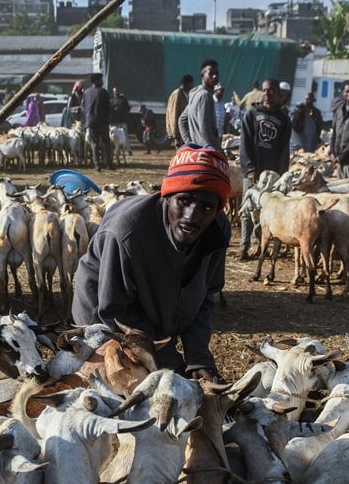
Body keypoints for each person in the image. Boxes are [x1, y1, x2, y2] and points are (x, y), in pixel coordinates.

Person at [72, 144, 231, 381]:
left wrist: (198, 358)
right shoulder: (127, 233)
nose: (191, 216)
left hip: (155, 313)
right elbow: (115, 311)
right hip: (105, 317)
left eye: (206, 207)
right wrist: (168, 359)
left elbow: (204, 298)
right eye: (184, 201)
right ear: (167, 197)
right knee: (118, 388)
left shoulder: (217, 231)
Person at [238, 78, 292, 260]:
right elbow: (244, 144)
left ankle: (257, 243)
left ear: (279, 94)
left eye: (271, 91)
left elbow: (285, 149)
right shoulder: (251, 114)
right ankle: (243, 246)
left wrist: (281, 173)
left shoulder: (283, 118)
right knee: (247, 209)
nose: (267, 94)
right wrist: (249, 169)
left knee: (265, 210)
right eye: (264, 90)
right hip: (253, 170)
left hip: (272, 175)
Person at [179, 59, 221, 149]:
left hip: (197, 151)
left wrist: (190, 144)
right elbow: (204, 129)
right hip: (206, 151)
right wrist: (218, 150)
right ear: (202, 74)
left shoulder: (195, 93)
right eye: (211, 73)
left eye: (217, 73)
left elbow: (182, 120)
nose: (214, 76)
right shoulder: (205, 95)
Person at [82, 73, 113, 172]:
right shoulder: (103, 92)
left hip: (90, 121)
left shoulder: (86, 93)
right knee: (107, 142)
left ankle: (97, 165)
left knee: (94, 144)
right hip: (102, 121)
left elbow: (83, 106)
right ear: (95, 81)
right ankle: (109, 164)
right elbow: (108, 107)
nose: (102, 81)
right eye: (100, 79)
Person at [166, 74, 194, 148]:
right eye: (191, 84)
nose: (192, 86)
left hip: (185, 131)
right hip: (179, 133)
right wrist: (176, 135)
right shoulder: (177, 94)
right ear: (188, 83)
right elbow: (173, 114)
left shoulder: (186, 95)